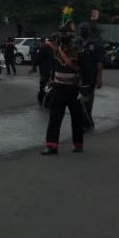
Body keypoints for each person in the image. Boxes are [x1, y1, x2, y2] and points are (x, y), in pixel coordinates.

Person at [41, 17, 85, 155]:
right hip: (58, 88)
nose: (61, 37)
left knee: (77, 118)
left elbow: (83, 69)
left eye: (64, 34)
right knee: (54, 117)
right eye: (60, 34)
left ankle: (78, 144)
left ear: (70, 36)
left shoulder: (78, 50)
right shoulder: (56, 50)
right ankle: (52, 145)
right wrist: (50, 80)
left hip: (73, 88)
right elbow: (53, 67)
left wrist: (84, 87)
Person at [77, 22, 103, 132]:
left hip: (90, 77)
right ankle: (85, 121)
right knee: (78, 100)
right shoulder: (75, 43)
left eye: (85, 29)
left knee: (88, 101)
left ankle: (88, 121)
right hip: (77, 77)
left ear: (88, 31)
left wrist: (99, 78)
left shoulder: (95, 45)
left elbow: (99, 63)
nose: (83, 31)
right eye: (81, 29)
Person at [35, 37, 55, 106]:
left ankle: (45, 101)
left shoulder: (55, 49)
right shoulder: (47, 48)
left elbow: (38, 59)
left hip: (49, 71)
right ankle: (43, 100)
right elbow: (38, 58)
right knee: (46, 86)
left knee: (48, 86)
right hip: (48, 71)